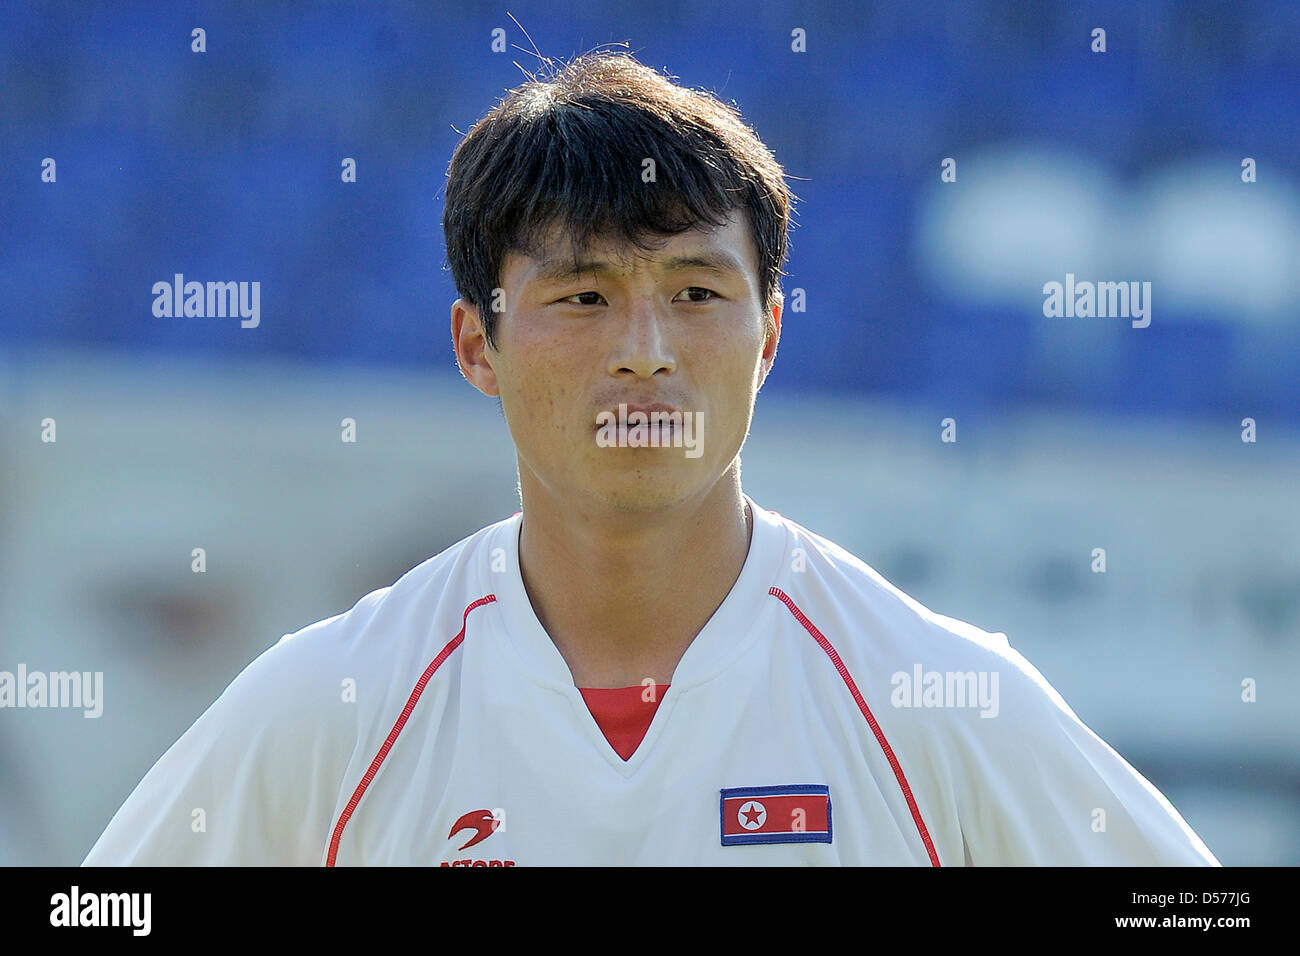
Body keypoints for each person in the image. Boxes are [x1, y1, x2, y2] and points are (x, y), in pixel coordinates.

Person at [83, 52, 1218, 866]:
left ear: (768, 334)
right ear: (478, 344)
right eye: (582, 296)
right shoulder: (329, 707)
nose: (645, 352)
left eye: (696, 293)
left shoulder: (931, 702)